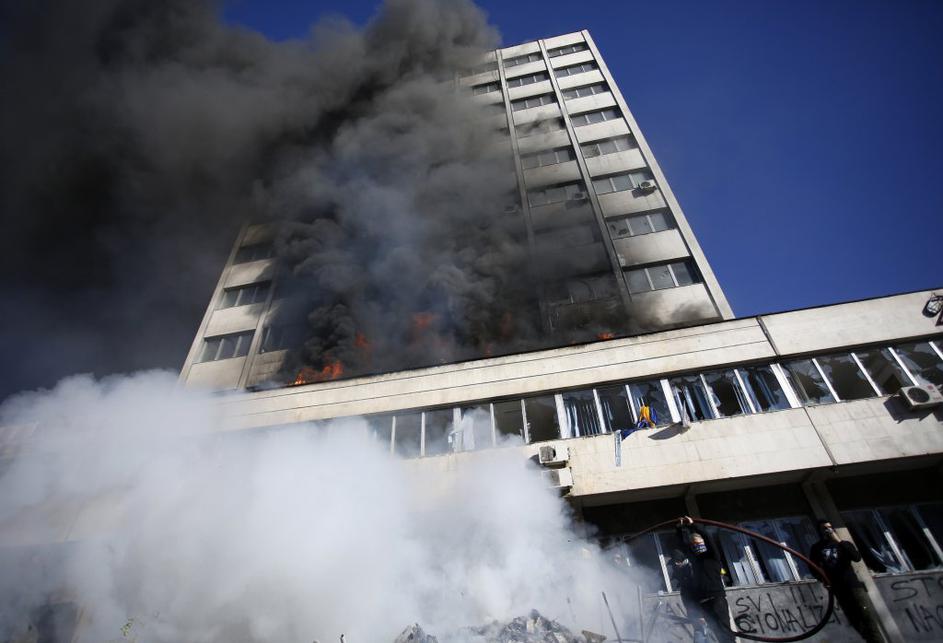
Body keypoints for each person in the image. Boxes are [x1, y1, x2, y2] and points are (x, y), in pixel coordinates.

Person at [809, 520, 882, 642]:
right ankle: (869, 640)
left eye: (829, 528)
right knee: (854, 619)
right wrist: (823, 579)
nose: (827, 531)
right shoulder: (817, 548)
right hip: (838, 589)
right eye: (824, 529)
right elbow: (813, 567)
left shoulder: (843, 544)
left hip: (853, 586)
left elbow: (856, 557)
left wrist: (839, 541)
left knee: (867, 617)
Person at [671, 516, 735, 643]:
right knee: (715, 632)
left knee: (725, 633)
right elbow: (682, 546)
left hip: (717, 599)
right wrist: (679, 529)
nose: (696, 546)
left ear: (703, 544)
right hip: (703, 602)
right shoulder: (695, 559)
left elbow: (708, 539)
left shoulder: (712, 556)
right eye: (693, 544)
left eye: (698, 543)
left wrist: (693, 526)